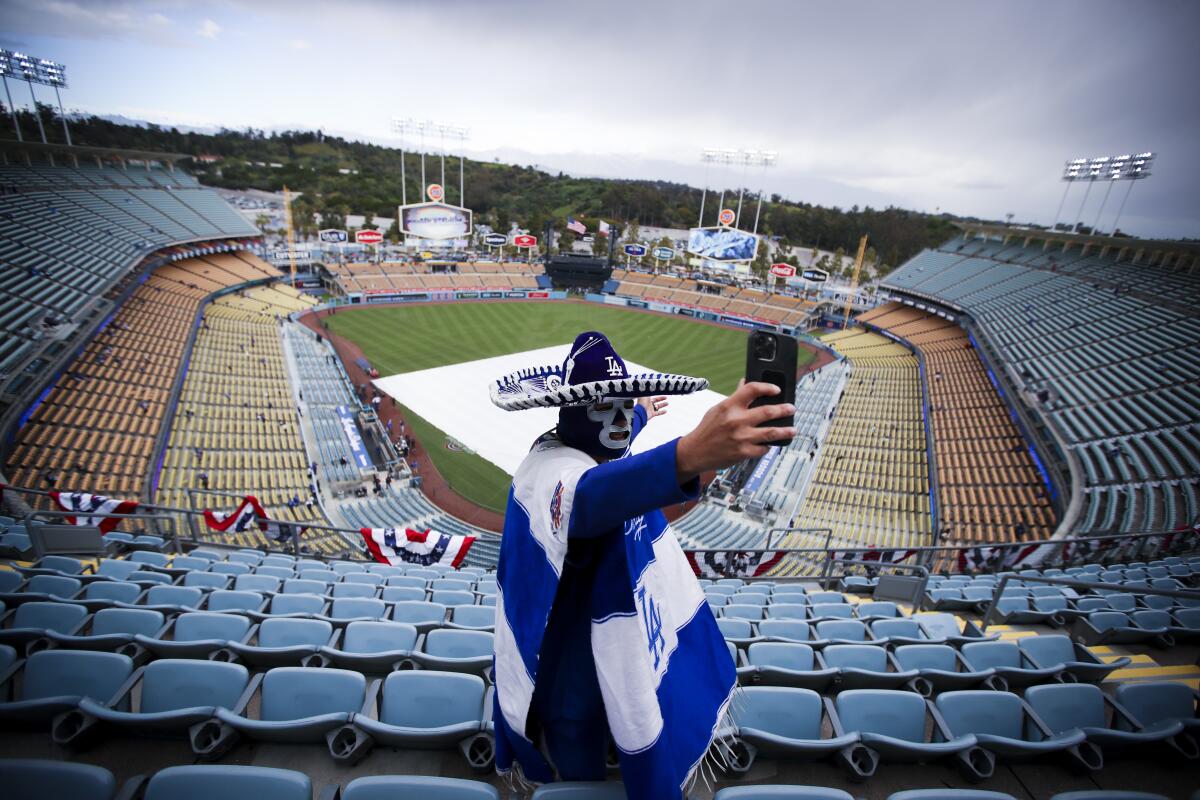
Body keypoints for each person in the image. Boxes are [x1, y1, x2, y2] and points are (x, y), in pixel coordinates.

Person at [488, 331, 795, 799]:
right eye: (602, 406)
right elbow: (589, 496)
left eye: (622, 404)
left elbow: (618, 425)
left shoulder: (597, 439)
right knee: (580, 778)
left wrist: (644, 411)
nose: (616, 418)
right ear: (570, 412)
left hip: (613, 652)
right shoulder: (547, 472)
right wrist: (691, 453)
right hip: (571, 676)